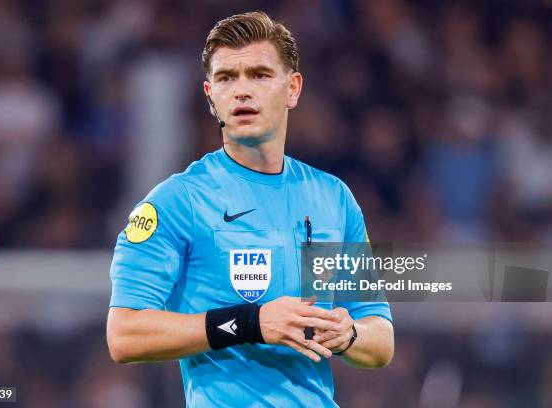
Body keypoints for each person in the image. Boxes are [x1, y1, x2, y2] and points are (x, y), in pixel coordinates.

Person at [107, 11, 394, 407]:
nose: (241, 91)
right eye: (227, 78)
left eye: (259, 75)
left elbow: (381, 337)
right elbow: (124, 334)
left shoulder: (333, 199)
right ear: (211, 96)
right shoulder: (178, 202)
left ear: (292, 89)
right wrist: (250, 323)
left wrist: (349, 335)